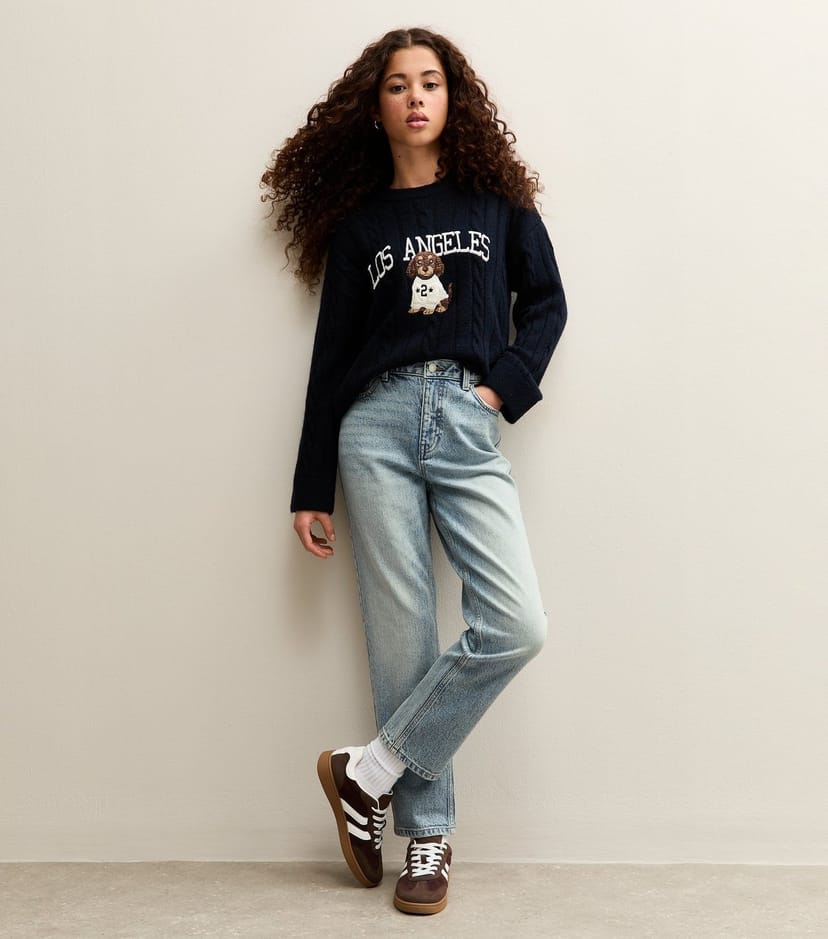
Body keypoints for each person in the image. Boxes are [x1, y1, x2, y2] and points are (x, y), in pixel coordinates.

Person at [261, 27, 567, 916]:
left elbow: (547, 304)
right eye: (398, 85)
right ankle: (425, 837)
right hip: (375, 425)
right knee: (403, 637)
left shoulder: (497, 203)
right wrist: (310, 486)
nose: (416, 97)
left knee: (516, 623)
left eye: (430, 82)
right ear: (377, 108)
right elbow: (330, 360)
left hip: (467, 419)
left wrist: (498, 391)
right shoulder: (361, 228)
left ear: (452, 98)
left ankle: (369, 771)